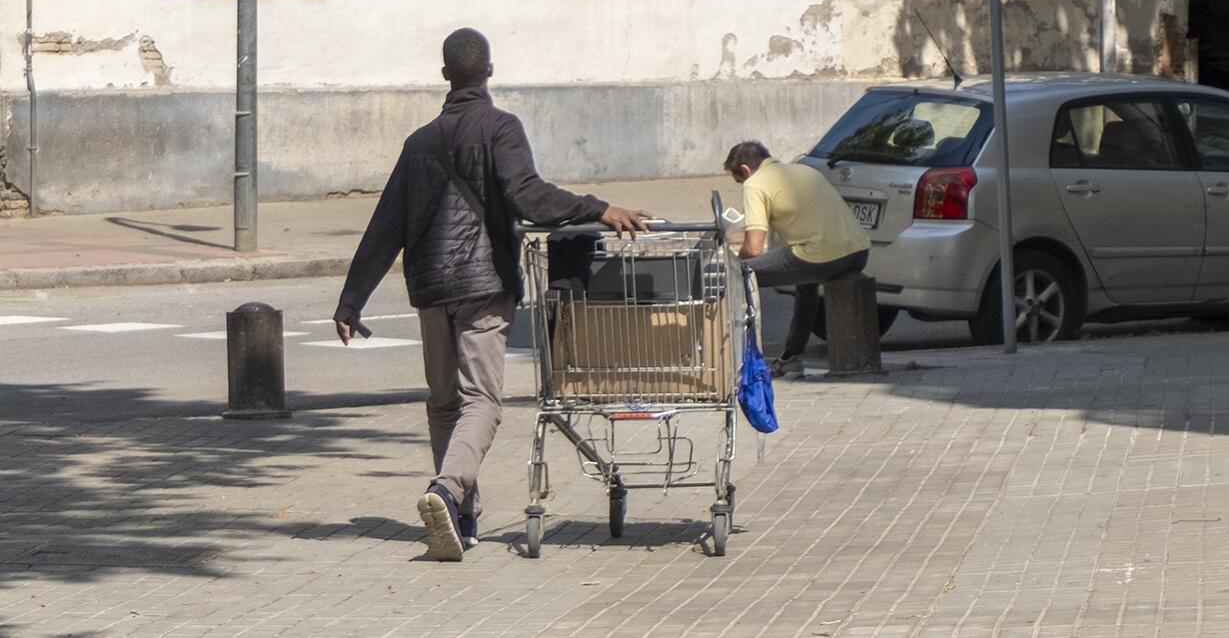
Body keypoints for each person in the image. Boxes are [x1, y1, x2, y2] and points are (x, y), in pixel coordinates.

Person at [334, 28, 650, 562]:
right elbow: (527, 194)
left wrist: (351, 302)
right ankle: (447, 489)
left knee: (442, 403)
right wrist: (598, 208)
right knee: (481, 399)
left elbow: (386, 224)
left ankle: (460, 515)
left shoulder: (419, 142)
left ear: (444, 76)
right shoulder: (501, 126)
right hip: (483, 283)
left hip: (431, 289)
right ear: (490, 72)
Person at [725, 140, 870, 377]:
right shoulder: (804, 170)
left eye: (738, 180)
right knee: (806, 282)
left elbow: (753, 248)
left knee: (734, 276)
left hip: (822, 255)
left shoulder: (754, 184)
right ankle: (792, 355)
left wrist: (735, 263)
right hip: (858, 252)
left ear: (745, 170)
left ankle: (739, 359)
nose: (741, 184)